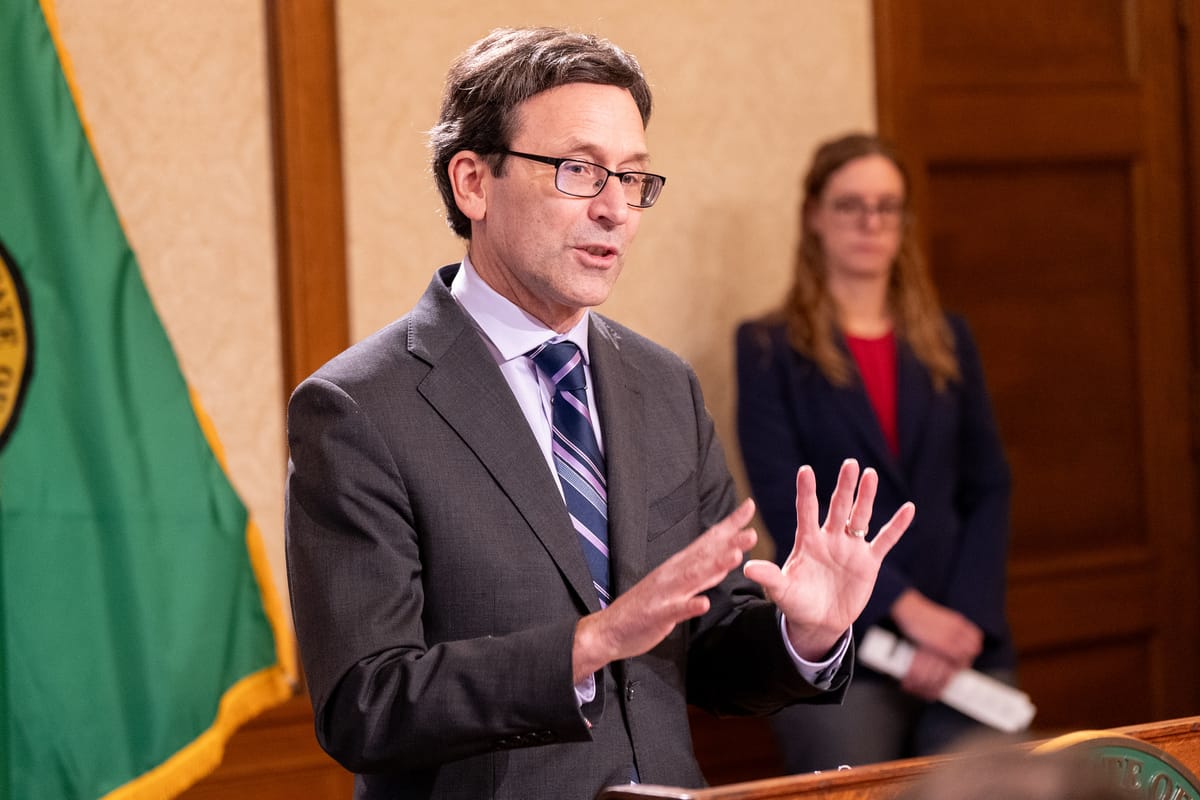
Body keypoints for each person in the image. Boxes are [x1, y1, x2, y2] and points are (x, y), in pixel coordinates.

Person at [286, 29, 913, 800]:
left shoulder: (663, 386)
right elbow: (365, 704)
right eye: (580, 172)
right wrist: (586, 645)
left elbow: (702, 646)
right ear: (473, 182)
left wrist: (805, 633)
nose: (616, 210)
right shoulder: (358, 408)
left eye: (634, 177)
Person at [735, 132, 1015, 772]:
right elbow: (785, 506)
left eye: (887, 206)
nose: (870, 222)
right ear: (814, 217)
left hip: (963, 637)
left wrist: (959, 623)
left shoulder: (950, 339)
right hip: (844, 645)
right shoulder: (768, 349)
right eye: (850, 205)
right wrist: (911, 615)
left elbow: (988, 487)